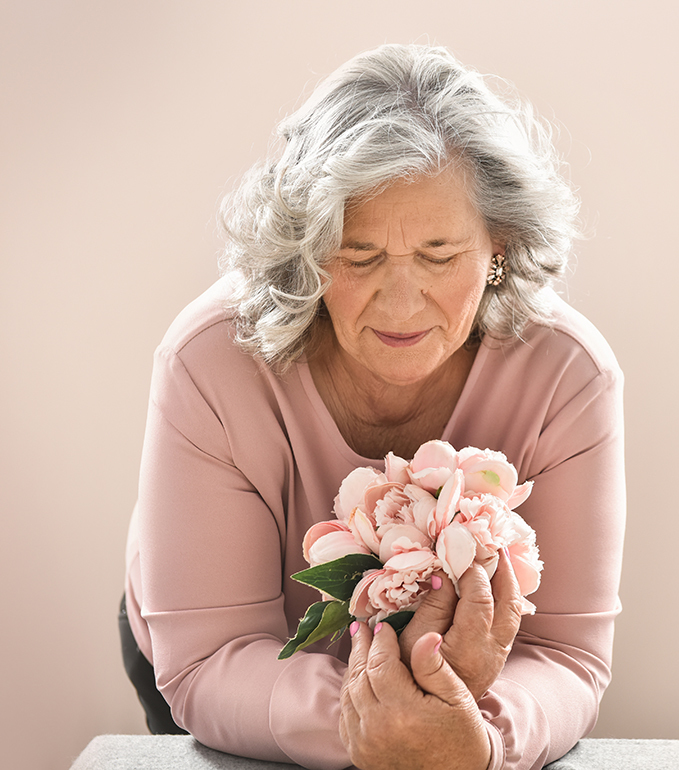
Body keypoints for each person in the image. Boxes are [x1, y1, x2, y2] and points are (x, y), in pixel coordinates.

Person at [121, 44, 626, 770]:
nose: (399, 303)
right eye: (357, 257)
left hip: (462, 715)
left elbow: (566, 658)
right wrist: (390, 732)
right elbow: (211, 658)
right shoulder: (208, 361)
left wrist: (479, 740)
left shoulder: (569, 374)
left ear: (499, 248)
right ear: (306, 250)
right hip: (225, 678)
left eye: (439, 255)